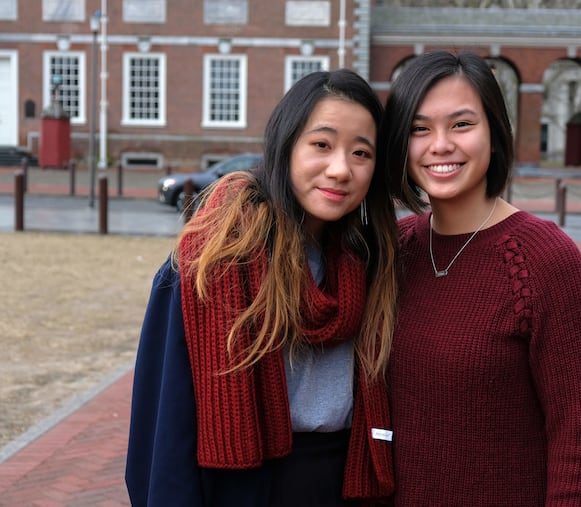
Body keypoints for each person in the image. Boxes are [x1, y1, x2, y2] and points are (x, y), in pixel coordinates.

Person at [126, 69, 398, 506]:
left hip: (345, 483)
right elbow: (163, 426)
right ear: (286, 146)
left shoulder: (371, 262)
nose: (340, 169)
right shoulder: (212, 261)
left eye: (361, 152)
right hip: (245, 486)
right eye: (322, 145)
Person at [378, 50, 581, 506]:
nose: (440, 145)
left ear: (495, 131)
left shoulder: (545, 260)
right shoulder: (394, 249)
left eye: (462, 124)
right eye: (419, 129)